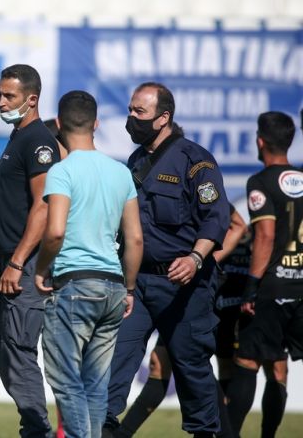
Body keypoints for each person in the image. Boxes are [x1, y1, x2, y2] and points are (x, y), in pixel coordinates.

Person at [102, 82, 230, 438]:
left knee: (192, 366)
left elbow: (216, 217)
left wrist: (195, 257)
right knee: (115, 360)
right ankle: (103, 428)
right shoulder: (136, 161)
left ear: (163, 118)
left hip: (184, 285)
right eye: (130, 110)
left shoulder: (195, 161)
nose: (131, 118)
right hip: (137, 285)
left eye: (139, 112)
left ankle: (205, 431)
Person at [33, 90, 143, 438]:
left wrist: (40, 269)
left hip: (75, 284)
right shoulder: (120, 172)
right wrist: (129, 288)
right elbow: (135, 239)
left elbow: (55, 232)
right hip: (113, 285)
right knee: (96, 384)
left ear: (59, 123)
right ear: (96, 124)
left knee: (67, 381)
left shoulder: (62, 171)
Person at [0, 63, 59, 437]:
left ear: (32, 99)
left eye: (9, 96)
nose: (1, 102)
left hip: (23, 268)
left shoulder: (38, 142)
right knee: (8, 358)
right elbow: (17, 208)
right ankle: (35, 428)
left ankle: (38, 432)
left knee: (20, 354)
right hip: (6, 261)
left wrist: (17, 261)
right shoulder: (17, 137)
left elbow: (43, 207)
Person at [113, 206, 248, 438]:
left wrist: (201, 259)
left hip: (186, 291)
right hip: (152, 286)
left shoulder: (196, 188)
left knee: (192, 365)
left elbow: (237, 225)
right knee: (163, 364)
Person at [226, 111, 303, 437]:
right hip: (300, 288)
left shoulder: (260, 182)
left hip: (272, 288)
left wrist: (251, 287)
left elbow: (266, 236)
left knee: (247, 362)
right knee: (279, 369)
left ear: (260, 141)